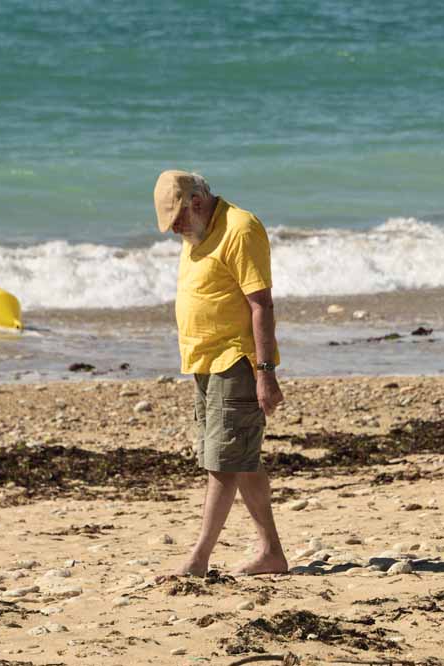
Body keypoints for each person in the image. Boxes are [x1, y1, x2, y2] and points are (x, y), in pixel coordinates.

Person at [153, 170, 288, 576]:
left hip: (236, 361)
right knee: (242, 460)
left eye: (177, 221)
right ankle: (272, 553)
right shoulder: (194, 233)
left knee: (223, 462)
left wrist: (265, 373)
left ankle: (198, 559)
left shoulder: (240, 229)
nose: (175, 231)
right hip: (205, 362)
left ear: (196, 202)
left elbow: (261, 304)